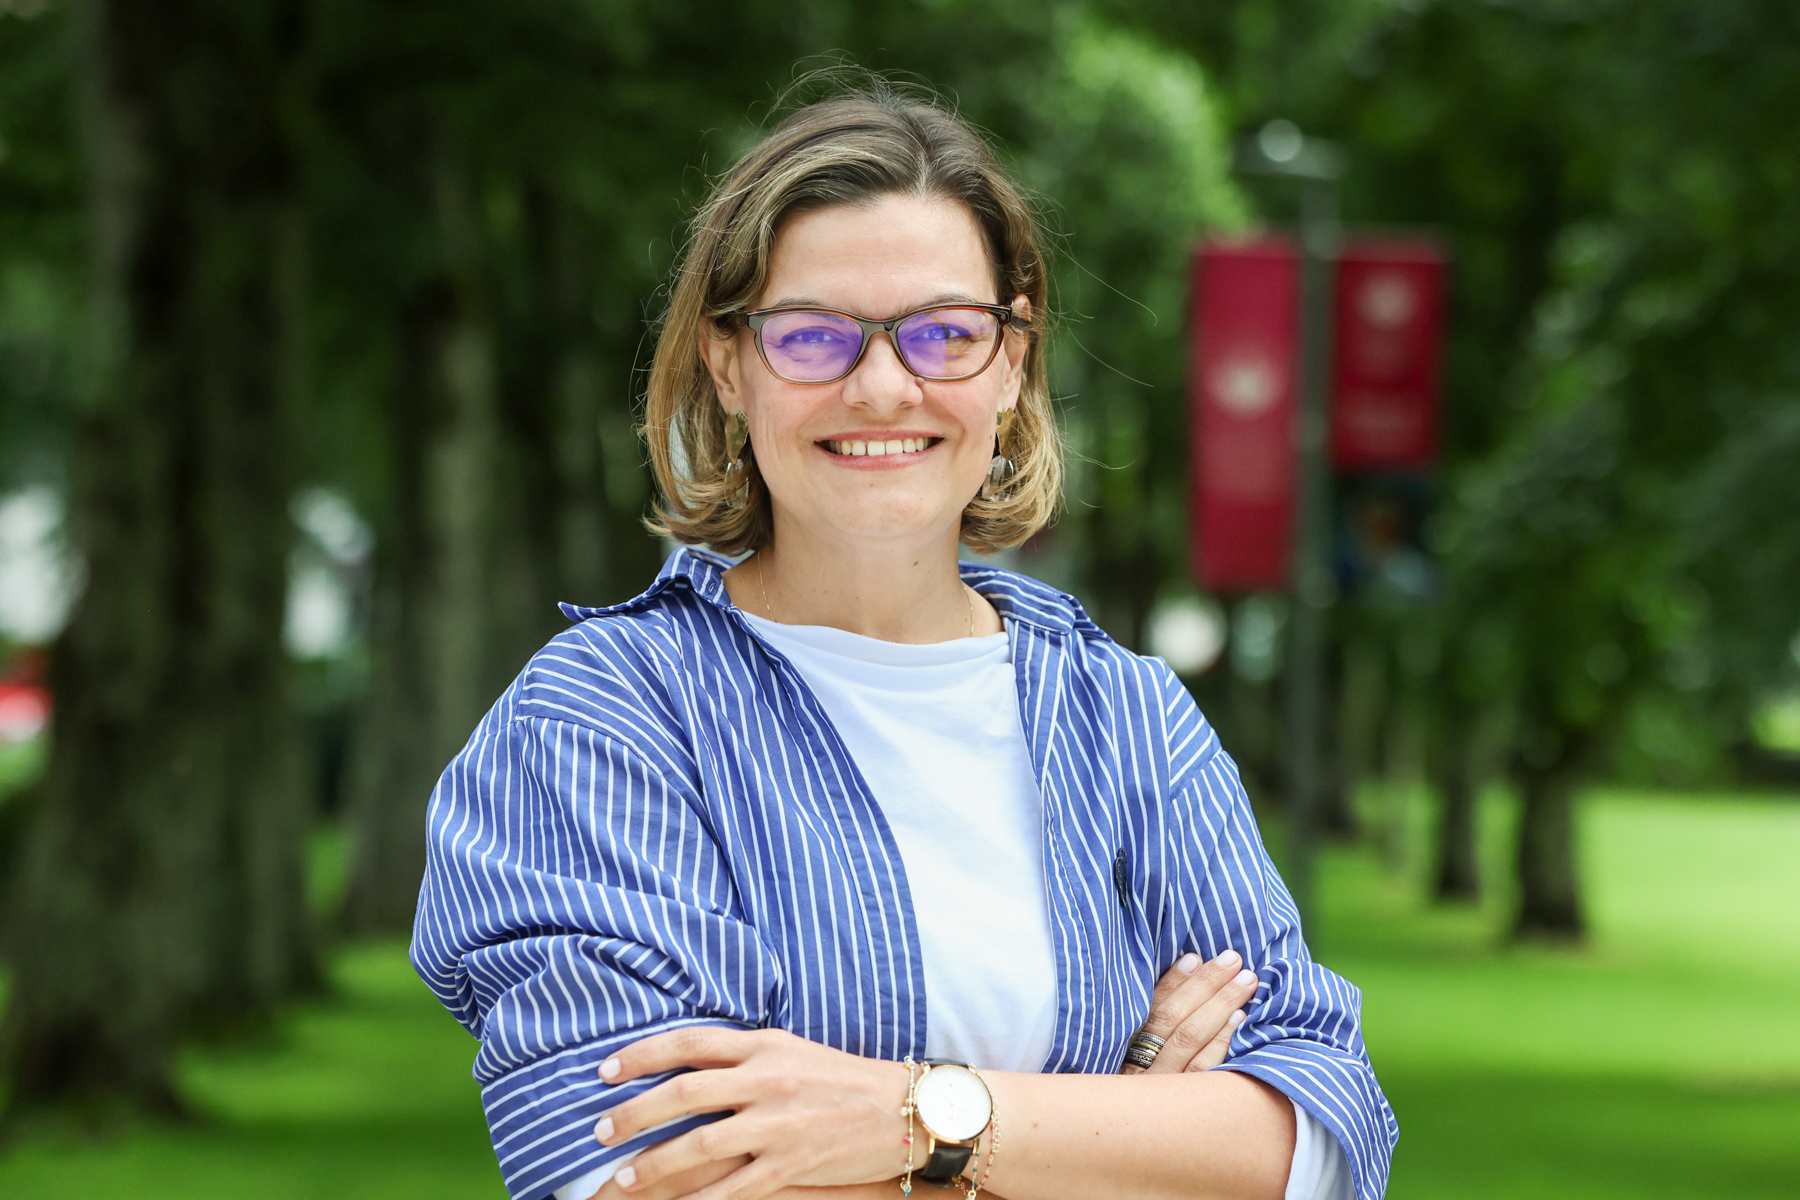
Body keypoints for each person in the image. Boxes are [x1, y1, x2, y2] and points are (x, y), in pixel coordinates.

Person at [411, 83, 1396, 1200]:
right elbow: (638, 1173)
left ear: (1012, 361)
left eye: (944, 334)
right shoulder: (608, 718)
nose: (883, 386)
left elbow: (1326, 1137)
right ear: (728, 365)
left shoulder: (1126, 713)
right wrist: (1125, 1122)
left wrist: (919, 1120)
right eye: (815, 335)